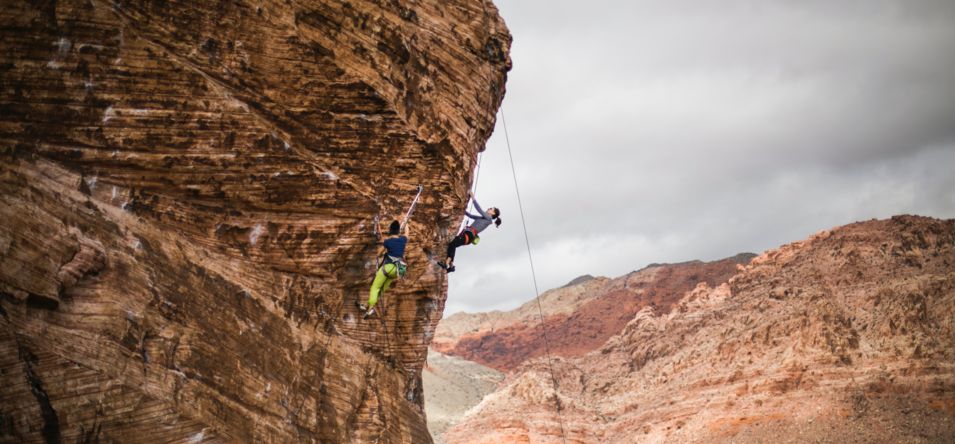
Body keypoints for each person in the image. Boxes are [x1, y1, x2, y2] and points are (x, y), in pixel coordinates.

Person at [359, 219, 409, 317]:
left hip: (387, 268)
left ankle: (370, 309)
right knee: (381, 290)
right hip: (397, 271)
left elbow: (379, 253)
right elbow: (407, 232)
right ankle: (368, 305)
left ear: (390, 230)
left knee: (375, 288)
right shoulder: (403, 240)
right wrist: (406, 222)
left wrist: (383, 253)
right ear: (399, 231)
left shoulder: (387, 242)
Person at [442, 192, 501, 272]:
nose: (489, 208)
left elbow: (479, 209)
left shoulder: (489, 219)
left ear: (493, 213)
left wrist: (473, 197)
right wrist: (462, 209)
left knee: (452, 243)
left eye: (491, 209)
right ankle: (451, 266)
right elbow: (470, 215)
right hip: (468, 235)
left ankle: (447, 263)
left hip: (469, 235)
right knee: (453, 244)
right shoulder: (482, 218)